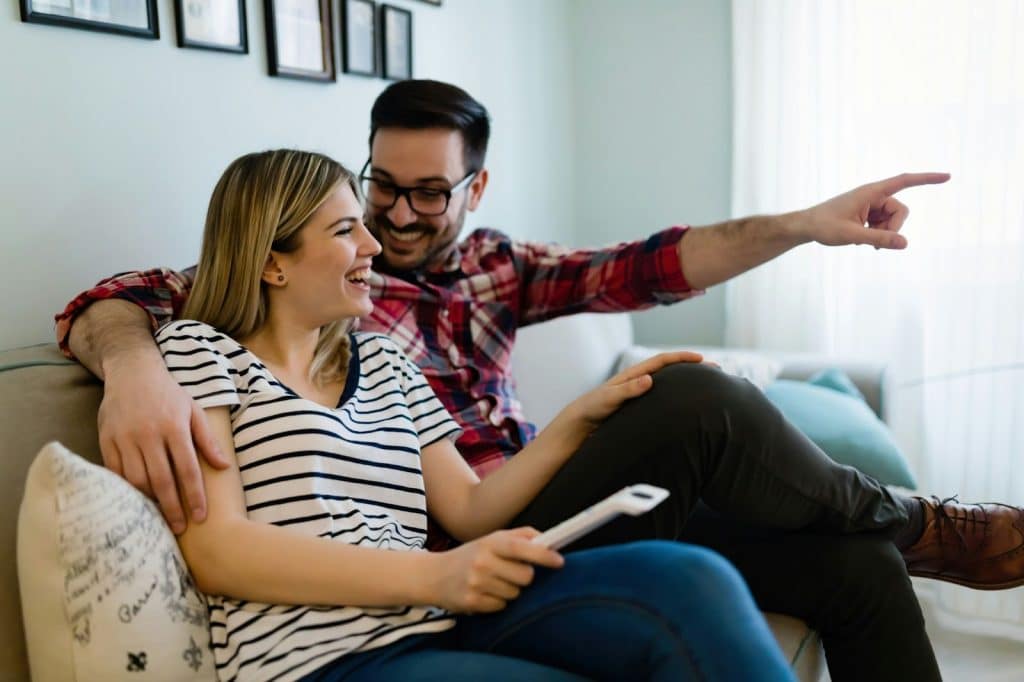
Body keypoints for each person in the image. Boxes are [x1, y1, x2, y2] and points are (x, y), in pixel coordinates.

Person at [57, 80, 1024, 682]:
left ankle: (896, 535)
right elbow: (120, 299)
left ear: (473, 189)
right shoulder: (258, 310)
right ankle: (922, 524)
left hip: (526, 518)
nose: (394, 219)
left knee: (855, 569)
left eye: (426, 192)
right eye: (378, 189)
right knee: (699, 404)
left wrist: (804, 226)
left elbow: (654, 263)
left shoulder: (488, 277)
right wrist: (134, 365)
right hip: (435, 564)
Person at [158, 148, 795, 682]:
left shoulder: (383, 359)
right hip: (320, 657)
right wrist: (435, 574)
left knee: (693, 578)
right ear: (273, 262)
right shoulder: (201, 351)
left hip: (437, 620)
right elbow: (219, 551)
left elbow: (469, 508)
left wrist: (580, 419)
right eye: (345, 230)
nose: (373, 245)